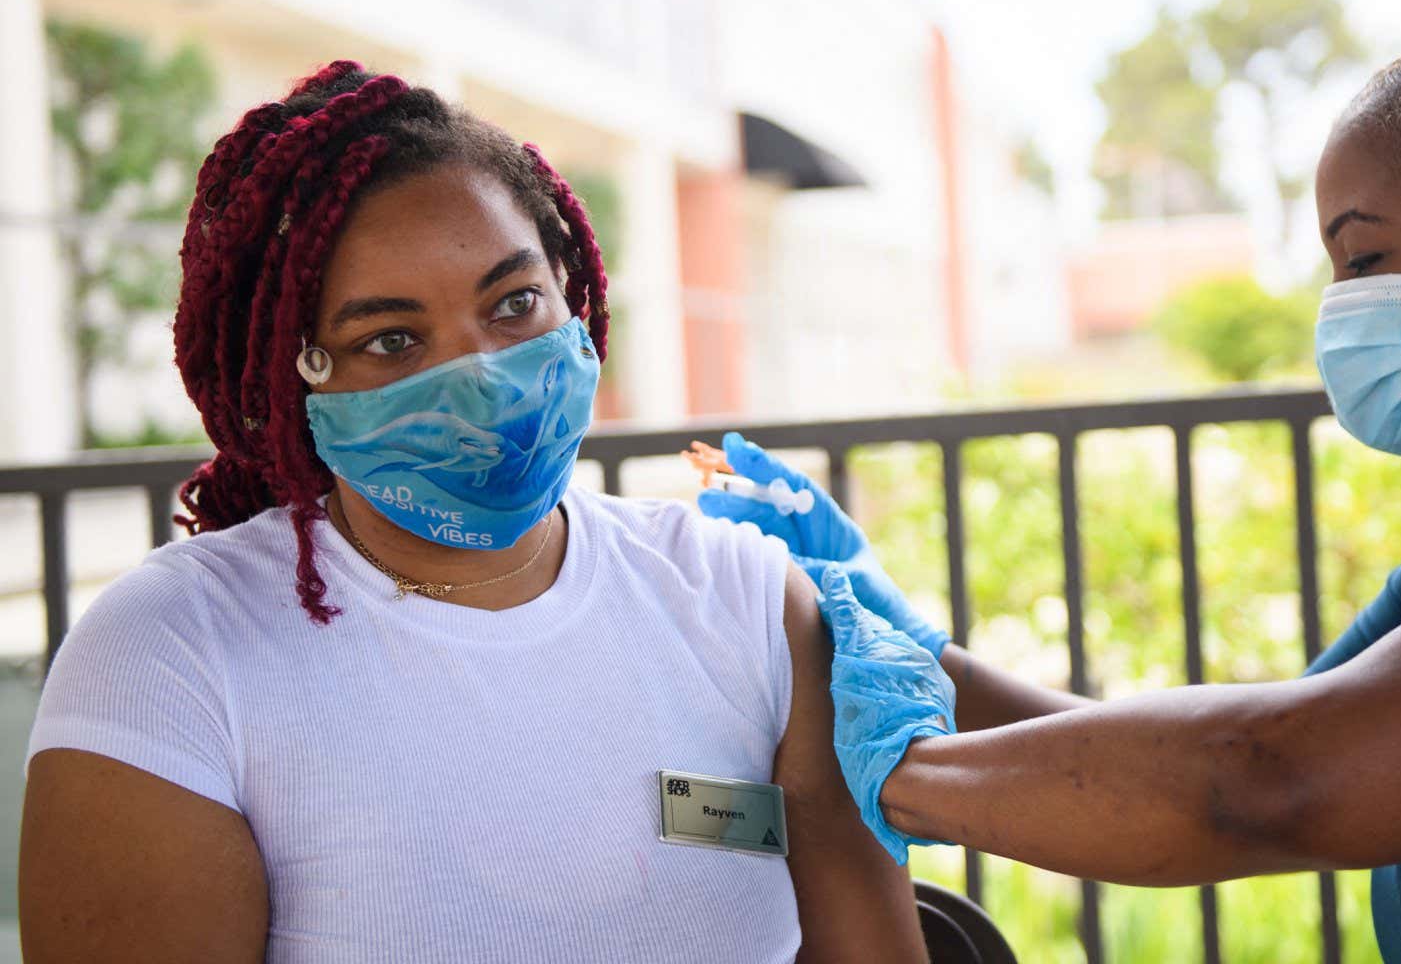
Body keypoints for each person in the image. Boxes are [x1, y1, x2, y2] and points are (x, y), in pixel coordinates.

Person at [702, 15, 1401, 962]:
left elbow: (1265, 782)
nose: (1340, 309)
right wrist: (887, 640)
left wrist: (881, 779)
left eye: (1364, 259)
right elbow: (1209, 745)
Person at [19, 63, 927, 963]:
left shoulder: (745, 598)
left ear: (571, 288)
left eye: (514, 303)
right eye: (391, 339)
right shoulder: (175, 654)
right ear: (289, 374)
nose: (484, 378)